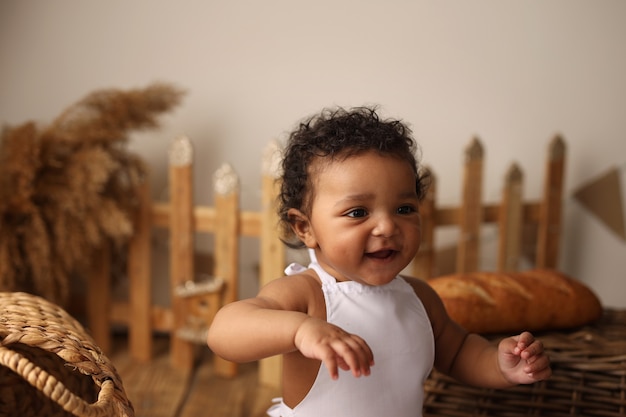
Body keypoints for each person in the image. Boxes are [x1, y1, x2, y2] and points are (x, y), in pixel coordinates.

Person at [207, 106, 551, 417]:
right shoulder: (307, 296)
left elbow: (459, 352)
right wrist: (300, 330)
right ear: (306, 228)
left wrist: (500, 365)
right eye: (358, 212)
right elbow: (224, 331)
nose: (387, 226)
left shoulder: (420, 298)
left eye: (404, 209)